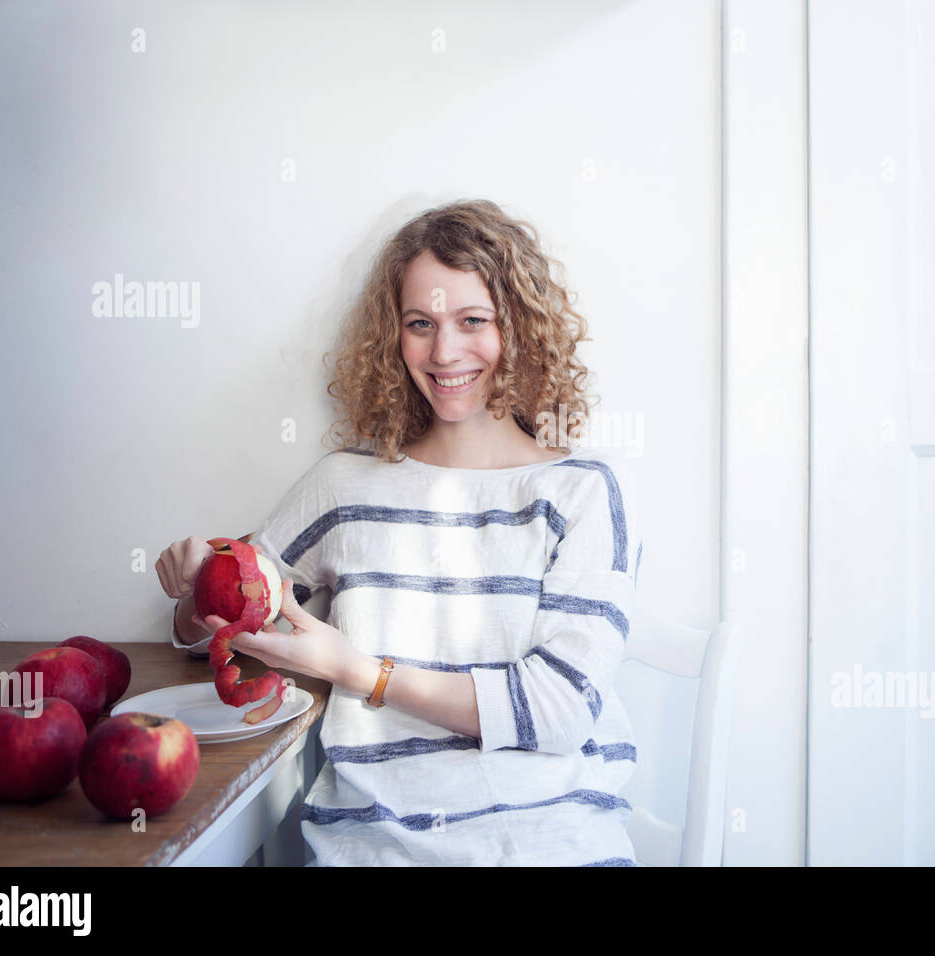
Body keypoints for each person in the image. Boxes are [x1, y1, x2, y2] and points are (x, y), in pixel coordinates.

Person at [156, 199, 642, 866]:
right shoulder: (345, 485)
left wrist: (357, 672)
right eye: (421, 324)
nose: (445, 352)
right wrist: (191, 592)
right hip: (378, 848)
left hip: (555, 844)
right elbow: (218, 623)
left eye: (473, 321)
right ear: (394, 336)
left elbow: (557, 711)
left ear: (522, 330)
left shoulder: (585, 490)